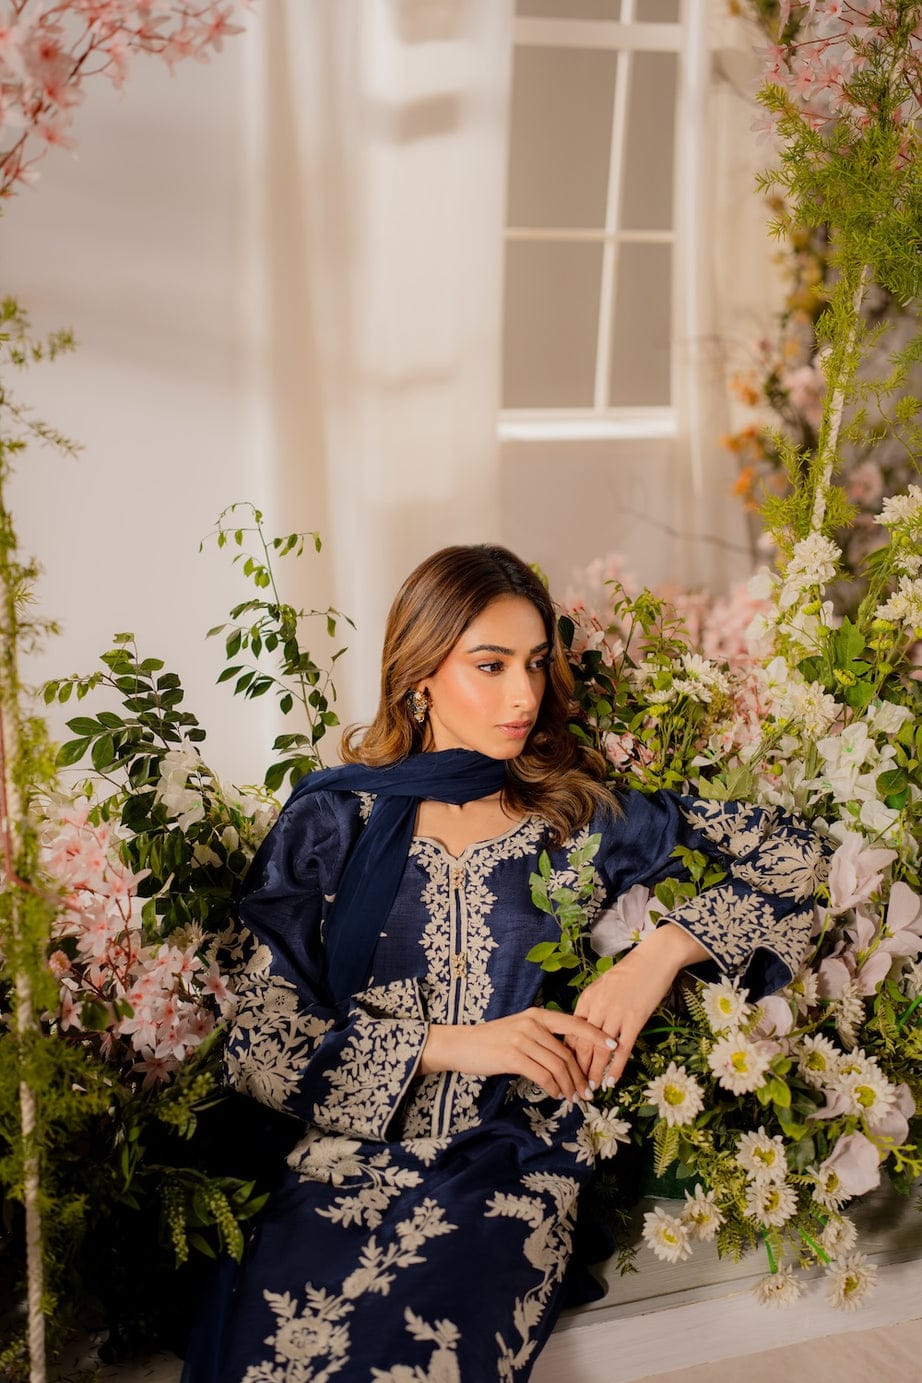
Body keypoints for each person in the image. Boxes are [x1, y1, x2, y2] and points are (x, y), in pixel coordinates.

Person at [184, 544, 823, 1382]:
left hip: (508, 1162)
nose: (523, 695)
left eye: (534, 663)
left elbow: (796, 855)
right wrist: (453, 1043)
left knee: (413, 1352)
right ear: (420, 674)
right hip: (337, 1161)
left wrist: (660, 954)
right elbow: (259, 1041)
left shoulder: (575, 819)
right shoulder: (334, 819)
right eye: (490, 665)